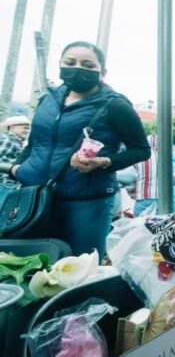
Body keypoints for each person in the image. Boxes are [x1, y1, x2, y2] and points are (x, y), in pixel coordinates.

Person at [11, 41, 150, 260]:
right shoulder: (47, 100)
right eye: (70, 63)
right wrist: (19, 168)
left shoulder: (116, 105)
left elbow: (141, 150)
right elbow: (34, 143)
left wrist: (102, 162)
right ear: (60, 65)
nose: (78, 68)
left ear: (102, 72)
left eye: (87, 65)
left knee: (79, 268)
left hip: (87, 203)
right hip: (35, 198)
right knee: (30, 265)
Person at [0, 116, 30, 203]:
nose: (26, 130)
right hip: (4, 183)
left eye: (28, 128)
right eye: (23, 127)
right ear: (12, 127)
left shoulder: (16, 141)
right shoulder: (8, 140)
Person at [132, 133, 159, 216]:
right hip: (162, 198)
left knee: (140, 226)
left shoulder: (139, 156)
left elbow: (131, 176)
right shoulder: (166, 156)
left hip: (143, 197)